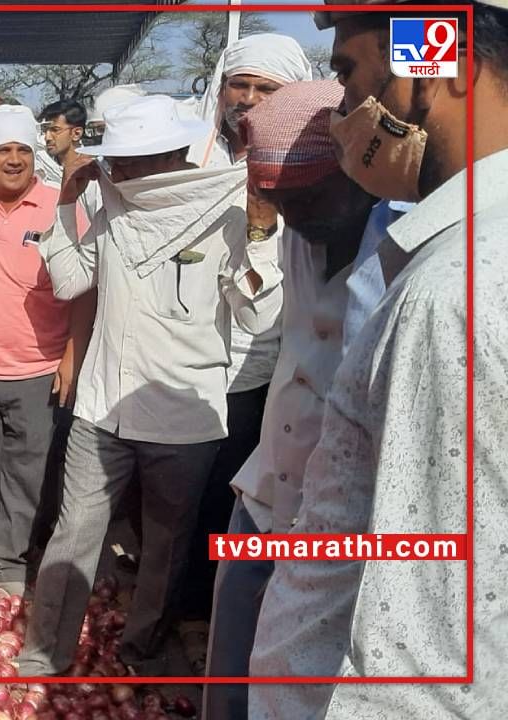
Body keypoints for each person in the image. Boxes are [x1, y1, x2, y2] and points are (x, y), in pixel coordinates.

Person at [248, 2, 508, 717]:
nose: (342, 112)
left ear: (441, 68)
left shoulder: (454, 289)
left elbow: (428, 643)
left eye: (348, 73)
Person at [18, 95, 283, 676]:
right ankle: (44, 654)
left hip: (183, 417)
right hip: (102, 404)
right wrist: (68, 203)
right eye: (118, 163)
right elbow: (68, 281)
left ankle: (139, 650)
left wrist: (261, 235)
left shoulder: (229, 214)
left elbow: (260, 318)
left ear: (175, 155)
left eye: (137, 162)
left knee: (165, 546)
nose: (124, 174)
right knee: (74, 534)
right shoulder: (113, 210)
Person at [199, 80, 383, 719]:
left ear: (349, 174)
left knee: (299, 676)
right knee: (230, 659)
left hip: (339, 513)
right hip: (267, 487)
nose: (290, 214)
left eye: (301, 198)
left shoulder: (401, 251)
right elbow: (262, 326)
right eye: (274, 197)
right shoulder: (293, 236)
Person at [177, 33, 312, 671]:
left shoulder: (306, 166)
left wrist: (259, 228)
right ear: (221, 90)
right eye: (241, 86)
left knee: (230, 497)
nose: (250, 102)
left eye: (268, 90)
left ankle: (211, 617)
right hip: (181, 359)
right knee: (180, 497)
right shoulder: (188, 160)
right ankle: (178, 609)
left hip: (258, 366)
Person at [0, 105, 94, 597]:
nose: (14, 160)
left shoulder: (63, 206)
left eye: (23, 151)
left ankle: (11, 561)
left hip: (39, 367)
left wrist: (71, 354)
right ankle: (2, 537)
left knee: (28, 466)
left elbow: (85, 287)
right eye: (2, 151)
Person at [39, 100, 87, 174]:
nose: (47, 137)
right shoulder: (41, 168)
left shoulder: (94, 173)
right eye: (45, 130)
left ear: (76, 133)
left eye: (55, 130)